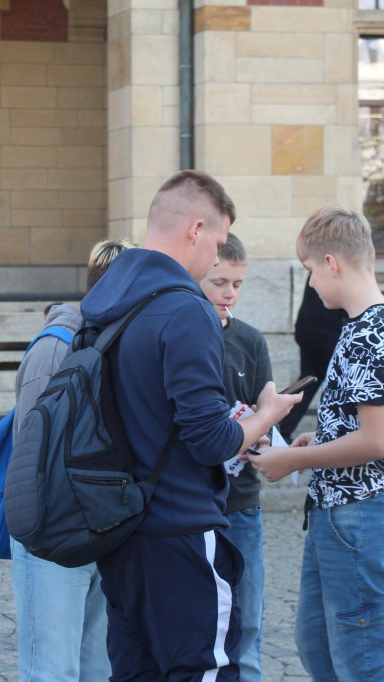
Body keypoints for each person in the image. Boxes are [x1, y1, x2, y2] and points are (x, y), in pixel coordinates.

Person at [80, 170, 299, 680]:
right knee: (204, 669)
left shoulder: (107, 304)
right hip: (180, 528)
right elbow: (211, 440)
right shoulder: (186, 310)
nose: (216, 256)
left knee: (136, 672)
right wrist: (267, 415)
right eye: (219, 241)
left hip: (121, 528)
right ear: (196, 230)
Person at [246, 204, 384, 682]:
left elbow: (378, 441)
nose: (310, 285)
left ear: (331, 263)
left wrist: (294, 459)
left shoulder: (367, 334)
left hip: (361, 512)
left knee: (362, 661)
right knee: (319, 644)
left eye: (310, 271)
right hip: (349, 511)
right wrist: (327, 436)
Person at [10, 238, 133, 682]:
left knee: (97, 667)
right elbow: (33, 452)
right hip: (54, 531)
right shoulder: (56, 347)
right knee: (53, 670)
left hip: (101, 527)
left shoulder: (119, 340)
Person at [197, 232, 271, 682]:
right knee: (197, 619)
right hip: (193, 504)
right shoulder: (183, 334)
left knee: (248, 619)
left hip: (242, 502)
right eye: (220, 282)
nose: (229, 294)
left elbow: (265, 410)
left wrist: (269, 435)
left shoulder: (251, 341)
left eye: (238, 284)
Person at [278, 272, 347, 440]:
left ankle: (280, 426)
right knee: (337, 386)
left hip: (308, 330)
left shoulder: (319, 262)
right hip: (327, 334)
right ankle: (334, 435)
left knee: (308, 382)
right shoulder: (341, 263)